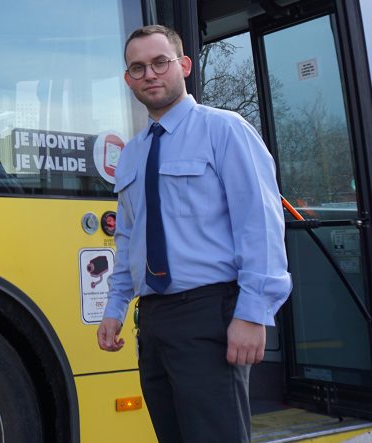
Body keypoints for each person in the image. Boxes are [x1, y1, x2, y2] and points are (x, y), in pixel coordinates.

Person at [96, 25, 291, 443]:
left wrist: (253, 313)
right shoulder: (132, 154)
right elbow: (128, 239)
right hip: (154, 321)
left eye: (159, 63)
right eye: (138, 67)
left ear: (183, 65)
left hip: (210, 315)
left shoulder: (225, 130)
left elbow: (260, 224)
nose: (150, 74)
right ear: (128, 79)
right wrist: (115, 307)